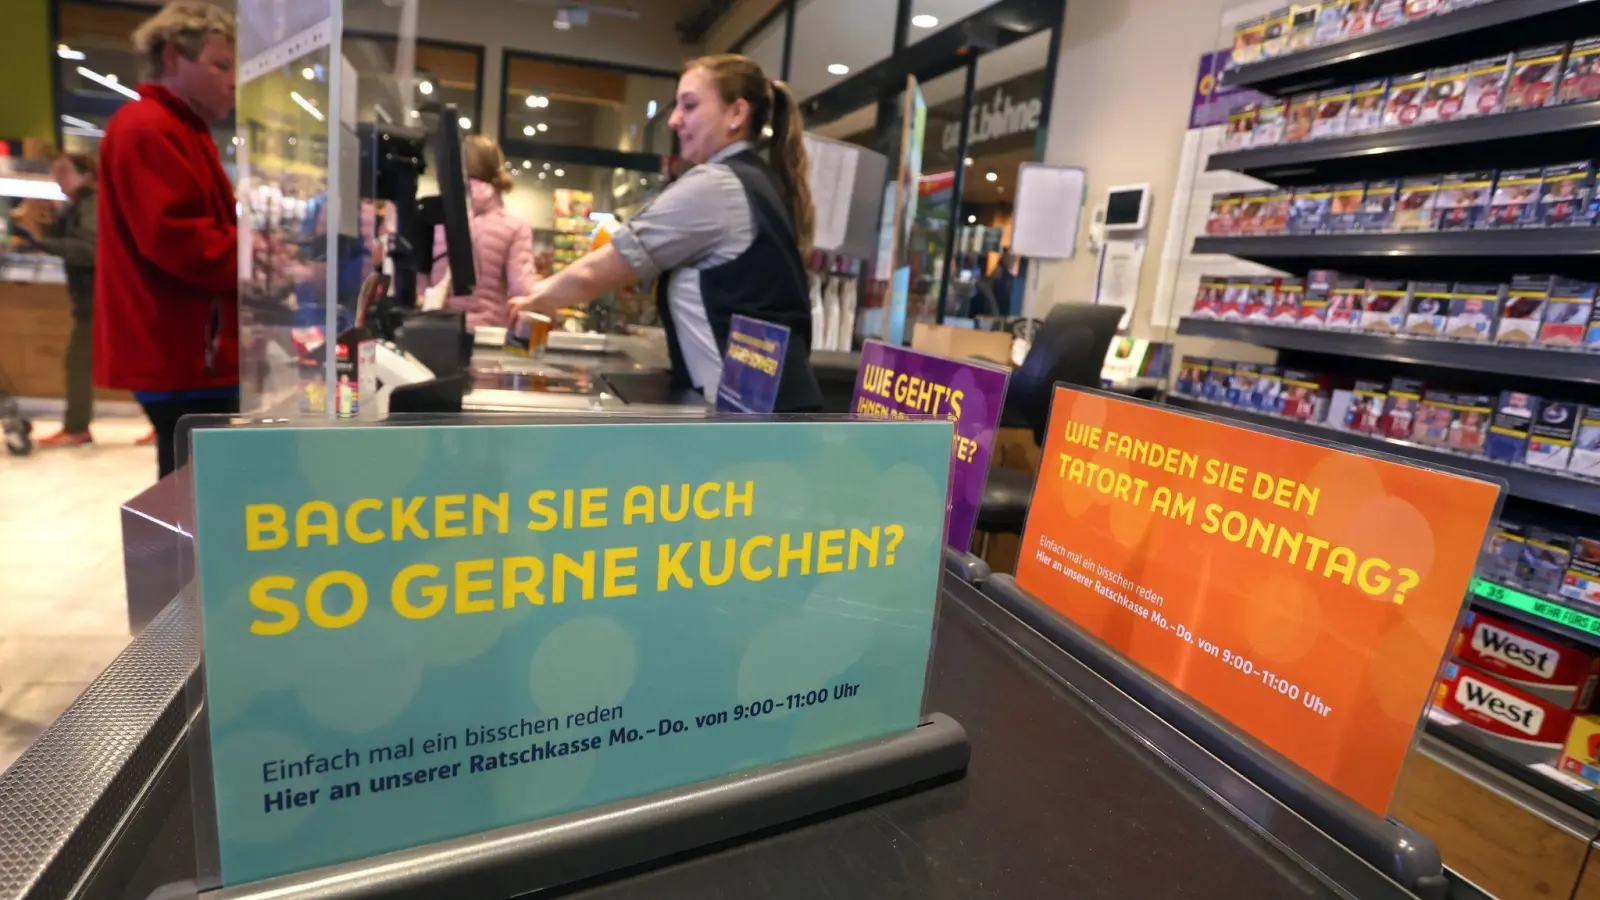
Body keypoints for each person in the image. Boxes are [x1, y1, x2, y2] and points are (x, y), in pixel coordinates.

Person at [509, 54, 823, 412]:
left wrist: (538, 297)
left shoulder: (716, 186)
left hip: (746, 433)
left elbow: (602, 268)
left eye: (689, 106)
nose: (674, 121)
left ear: (737, 113)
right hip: (772, 422)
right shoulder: (755, 181)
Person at [95, 1, 238, 478]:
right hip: (180, 352)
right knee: (190, 495)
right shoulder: (150, 128)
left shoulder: (182, 129)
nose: (233, 81)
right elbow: (178, 240)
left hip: (192, 350)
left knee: (193, 489)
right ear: (175, 58)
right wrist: (259, 258)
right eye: (220, 65)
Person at [14, 153, 98, 446]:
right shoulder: (77, 207)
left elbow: (89, 249)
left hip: (97, 301)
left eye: (64, 171)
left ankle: (77, 429)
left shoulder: (90, 205)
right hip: (93, 300)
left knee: (79, 362)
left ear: (86, 175)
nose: (57, 178)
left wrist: (41, 240)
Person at [419, 135, 538, 328]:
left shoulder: (439, 219)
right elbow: (523, 290)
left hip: (436, 333)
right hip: (486, 338)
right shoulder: (515, 227)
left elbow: (422, 282)